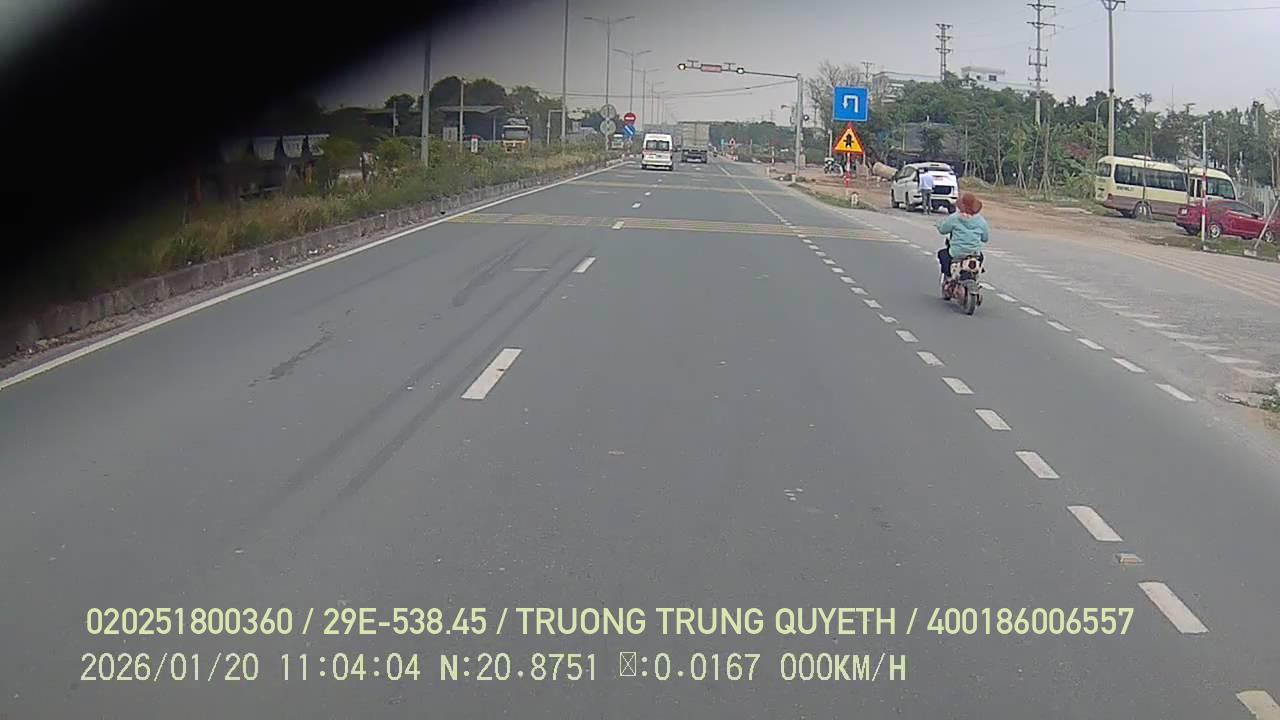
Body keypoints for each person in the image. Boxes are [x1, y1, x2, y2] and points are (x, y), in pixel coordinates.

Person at [936, 191, 990, 286]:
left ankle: (948, 278)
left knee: (942, 254)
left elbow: (943, 230)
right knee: (981, 257)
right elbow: (985, 239)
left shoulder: (954, 218)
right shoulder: (981, 221)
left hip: (956, 253)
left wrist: (938, 225)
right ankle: (976, 275)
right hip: (974, 253)